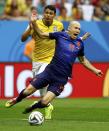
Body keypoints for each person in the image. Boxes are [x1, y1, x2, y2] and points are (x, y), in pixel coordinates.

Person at [5, 20, 103, 116]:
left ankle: (33, 107)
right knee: (28, 91)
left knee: (44, 102)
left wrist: (95, 70)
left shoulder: (80, 43)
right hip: (49, 72)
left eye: (79, 29)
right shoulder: (60, 35)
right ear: (69, 28)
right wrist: (34, 23)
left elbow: (83, 60)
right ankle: (16, 100)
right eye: (75, 28)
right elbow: (42, 34)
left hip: (61, 79)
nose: (78, 30)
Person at [21, 5, 64, 120]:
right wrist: (30, 27)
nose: (48, 15)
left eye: (51, 13)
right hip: (37, 60)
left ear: (54, 15)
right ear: (43, 13)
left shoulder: (59, 25)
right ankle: (48, 106)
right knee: (41, 90)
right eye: (46, 12)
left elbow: (64, 38)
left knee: (41, 79)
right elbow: (23, 39)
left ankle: (45, 105)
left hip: (51, 59)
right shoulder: (35, 23)